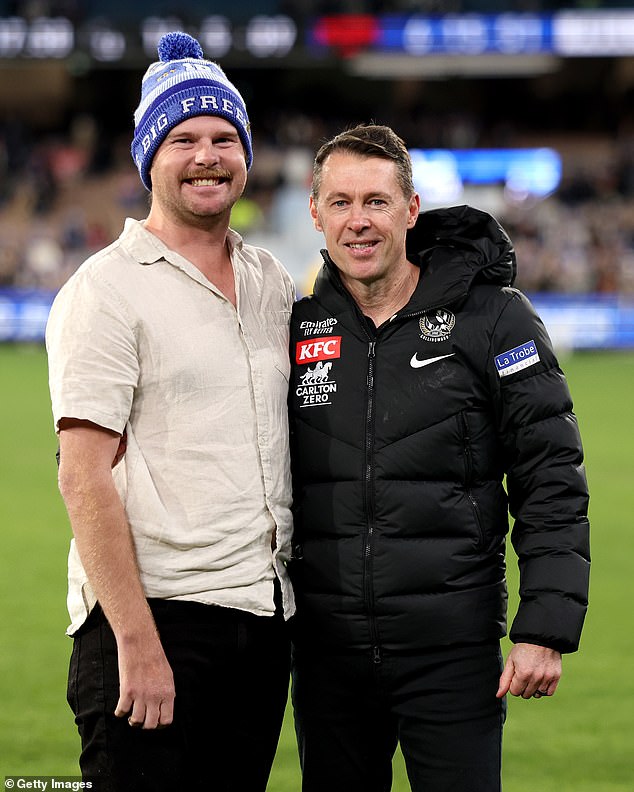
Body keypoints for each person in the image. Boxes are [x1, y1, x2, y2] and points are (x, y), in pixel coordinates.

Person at [287, 124, 590, 792]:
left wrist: (544, 627)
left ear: (411, 210)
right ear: (315, 212)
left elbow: (551, 480)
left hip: (451, 654)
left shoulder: (494, 319)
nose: (358, 221)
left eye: (376, 201)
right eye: (340, 202)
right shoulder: (299, 324)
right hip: (327, 657)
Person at [46, 32, 295, 792]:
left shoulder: (271, 282)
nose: (207, 155)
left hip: (260, 619)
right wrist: (136, 641)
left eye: (225, 137)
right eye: (183, 138)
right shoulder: (107, 289)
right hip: (154, 623)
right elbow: (82, 478)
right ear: (149, 157)